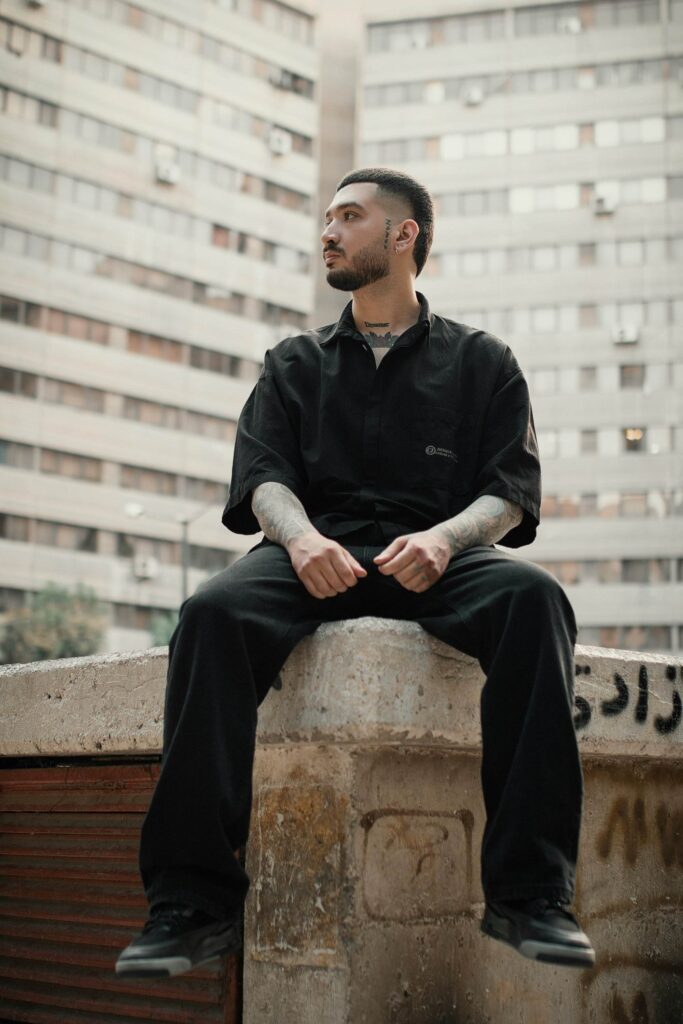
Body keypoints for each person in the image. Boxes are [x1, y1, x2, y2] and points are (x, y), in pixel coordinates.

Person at [116, 167, 594, 979]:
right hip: (313, 553)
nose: (328, 232)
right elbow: (263, 476)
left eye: (349, 217)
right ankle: (190, 907)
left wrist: (443, 540)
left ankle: (530, 896)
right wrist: (299, 541)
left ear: (404, 235)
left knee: (535, 600)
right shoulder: (293, 361)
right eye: (326, 219)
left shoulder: (483, 362)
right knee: (210, 614)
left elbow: (509, 492)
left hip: (434, 561)